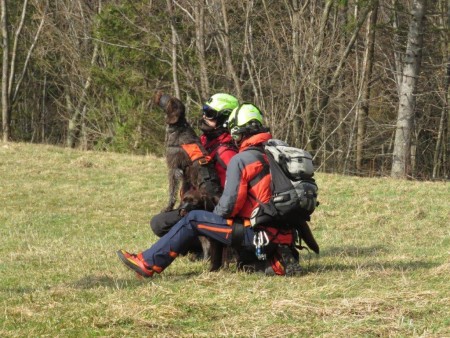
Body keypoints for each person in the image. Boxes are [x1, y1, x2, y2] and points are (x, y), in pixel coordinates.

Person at [118, 103, 300, 277]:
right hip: (283, 236)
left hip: (255, 233)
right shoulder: (275, 153)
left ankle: (147, 263)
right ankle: (275, 260)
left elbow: (229, 207)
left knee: (193, 219)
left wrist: (212, 216)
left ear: (238, 130)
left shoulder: (241, 159)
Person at [149, 93, 239, 253]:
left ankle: (211, 247)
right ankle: (197, 245)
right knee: (159, 223)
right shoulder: (205, 141)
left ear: (225, 120)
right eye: (204, 111)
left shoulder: (227, 153)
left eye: (210, 114)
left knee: (160, 223)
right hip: (199, 206)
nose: (204, 116)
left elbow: (232, 194)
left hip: (214, 211)